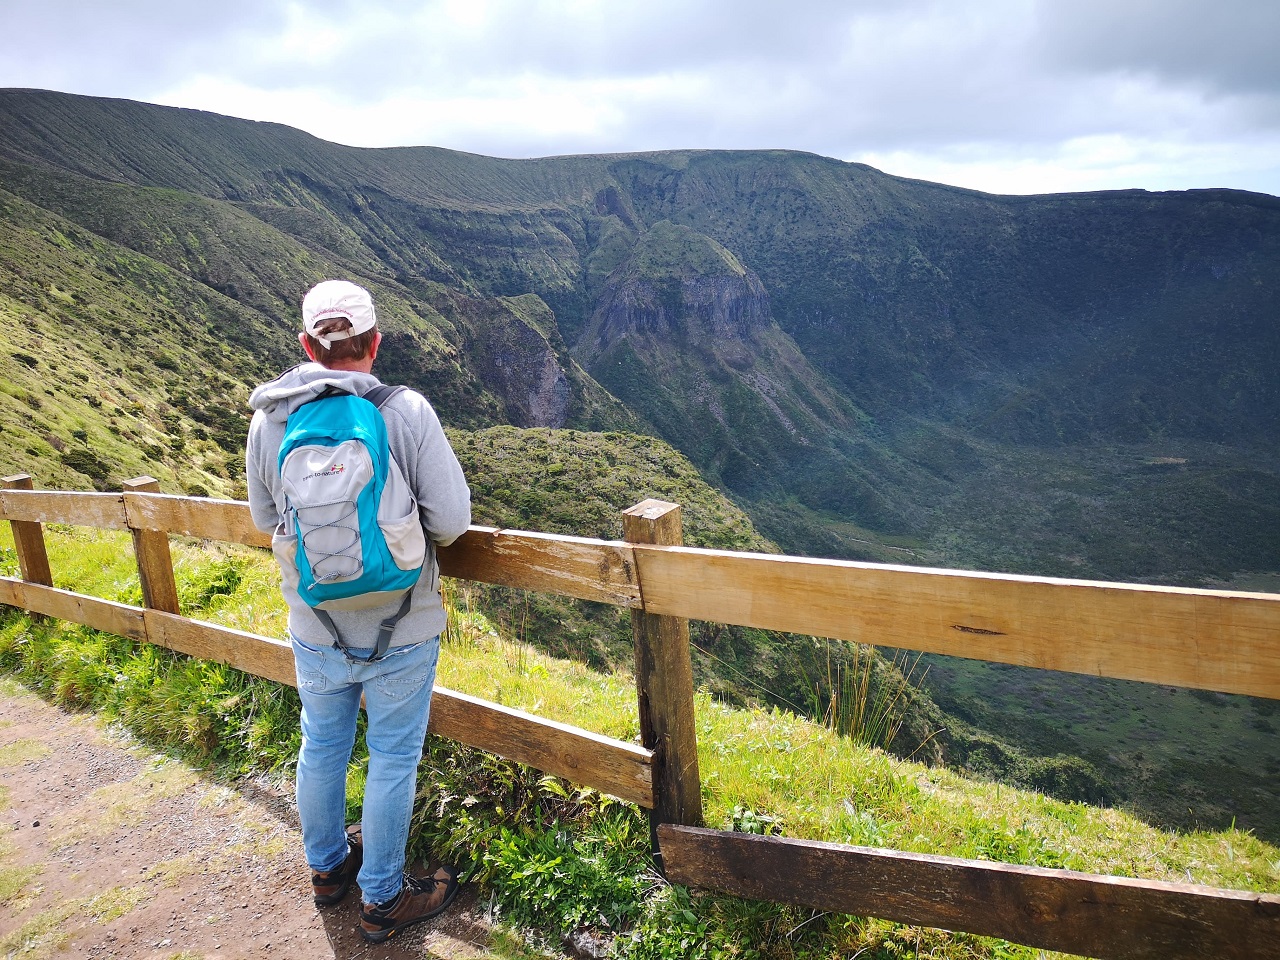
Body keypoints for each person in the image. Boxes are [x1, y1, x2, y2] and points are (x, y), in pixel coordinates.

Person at [245, 279, 471, 943]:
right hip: (402, 623)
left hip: (315, 625)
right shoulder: (406, 411)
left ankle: (327, 870)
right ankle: (382, 898)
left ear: (305, 346)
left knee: (322, 743)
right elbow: (453, 523)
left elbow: (264, 518)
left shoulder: (271, 419)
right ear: (376, 344)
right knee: (393, 757)